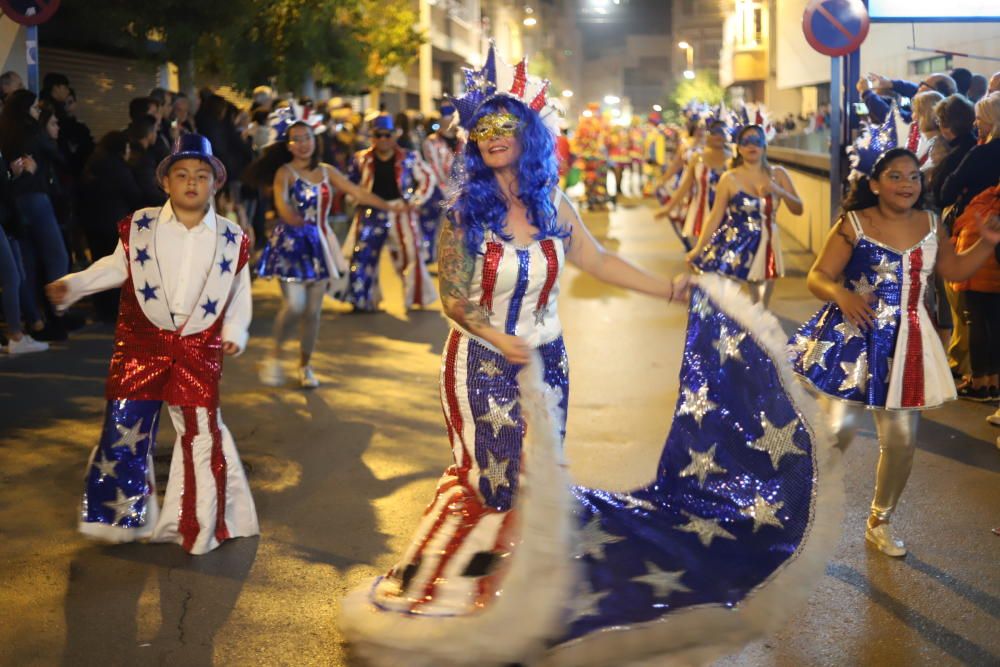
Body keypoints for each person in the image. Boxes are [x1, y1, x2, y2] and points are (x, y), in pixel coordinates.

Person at [340, 45, 839, 666]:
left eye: (506, 126)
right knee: (488, 481)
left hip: (550, 363)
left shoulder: (555, 204)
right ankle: (448, 599)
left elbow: (598, 261)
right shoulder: (464, 214)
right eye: (484, 129)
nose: (495, 137)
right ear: (473, 141)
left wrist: (668, 287)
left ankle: (514, 598)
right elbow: (453, 301)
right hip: (482, 365)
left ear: (527, 134)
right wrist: (500, 341)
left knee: (535, 481)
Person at [45, 134, 259, 555]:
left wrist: (234, 332)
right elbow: (115, 266)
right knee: (125, 423)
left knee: (200, 432)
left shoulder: (232, 238)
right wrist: (74, 286)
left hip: (198, 347)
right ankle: (120, 519)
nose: (192, 183)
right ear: (165, 182)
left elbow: (239, 292)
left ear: (215, 183)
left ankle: (197, 522)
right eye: (182, 175)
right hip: (141, 343)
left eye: (201, 175)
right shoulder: (139, 227)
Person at [790, 147, 1000, 557]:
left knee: (902, 438)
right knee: (837, 431)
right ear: (874, 184)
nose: (907, 184)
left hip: (909, 341)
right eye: (895, 176)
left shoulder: (931, 223)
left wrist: (987, 244)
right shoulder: (853, 223)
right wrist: (840, 295)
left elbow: (954, 271)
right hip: (853, 337)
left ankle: (880, 521)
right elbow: (818, 275)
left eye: (914, 177)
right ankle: (801, 510)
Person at [251, 112, 402, 388]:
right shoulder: (284, 173)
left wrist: (389, 205)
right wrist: (291, 217)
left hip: (320, 244)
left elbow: (358, 192)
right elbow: (282, 204)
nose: (303, 143)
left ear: (314, 139)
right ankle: (274, 355)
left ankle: (305, 365)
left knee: (313, 312)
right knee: (295, 305)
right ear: (288, 145)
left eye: (307, 137)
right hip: (291, 247)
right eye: (296, 139)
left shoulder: (326, 171)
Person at [687, 124, 804, 308]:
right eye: (746, 142)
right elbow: (715, 217)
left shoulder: (778, 174)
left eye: (757, 141)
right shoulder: (729, 178)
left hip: (767, 246)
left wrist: (779, 191)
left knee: (760, 310)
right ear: (739, 147)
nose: (752, 146)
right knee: (725, 306)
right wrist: (699, 248)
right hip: (734, 246)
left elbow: (798, 209)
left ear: (764, 145)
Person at [344, 114, 438, 312]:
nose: (383, 139)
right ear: (372, 137)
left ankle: (415, 298)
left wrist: (415, 201)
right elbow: (349, 182)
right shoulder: (361, 159)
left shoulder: (409, 157)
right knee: (362, 256)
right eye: (379, 135)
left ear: (395, 136)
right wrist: (354, 199)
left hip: (400, 211)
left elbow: (428, 177)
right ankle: (362, 300)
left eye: (388, 135)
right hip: (370, 212)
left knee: (411, 255)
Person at [0, 89, 70, 340]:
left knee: (25, 265)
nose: (38, 112)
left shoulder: (6, 132)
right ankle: (57, 313)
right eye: (35, 108)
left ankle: (35, 320)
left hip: (15, 202)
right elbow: (59, 157)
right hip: (36, 198)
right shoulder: (31, 131)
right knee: (56, 257)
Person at [79, 130, 143, 322]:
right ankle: (114, 308)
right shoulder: (118, 167)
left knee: (99, 264)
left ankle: (101, 307)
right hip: (113, 223)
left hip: (93, 223)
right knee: (115, 266)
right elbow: (133, 194)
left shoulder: (93, 163)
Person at [655, 118, 731, 248]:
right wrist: (668, 208)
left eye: (722, 132)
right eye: (714, 131)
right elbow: (685, 184)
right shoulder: (697, 158)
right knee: (699, 253)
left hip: (727, 217)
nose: (718, 136)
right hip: (700, 215)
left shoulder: (732, 159)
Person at [0, 150, 48, 353]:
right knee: (11, 277)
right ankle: (16, 335)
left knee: (15, 275)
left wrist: (12, 174)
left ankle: (16, 333)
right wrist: (17, 174)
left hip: (6, 220)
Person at [420, 104, 465, 262]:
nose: (449, 122)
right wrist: (448, 191)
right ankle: (432, 256)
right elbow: (434, 168)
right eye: (445, 119)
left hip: (464, 190)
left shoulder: (464, 139)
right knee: (436, 224)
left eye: (452, 119)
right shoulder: (431, 142)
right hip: (440, 190)